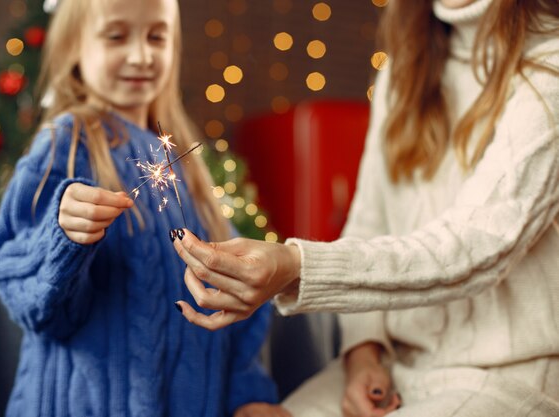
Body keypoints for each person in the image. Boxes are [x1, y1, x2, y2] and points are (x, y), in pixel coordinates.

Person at [171, 0, 559, 415]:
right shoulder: (404, 68)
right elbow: (368, 222)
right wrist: (362, 353)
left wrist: (296, 264)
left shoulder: (548, 73)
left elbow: (475, 247)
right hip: (394, 365)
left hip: (506, 376)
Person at [0, 0, 289, 416]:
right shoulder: (66, 141)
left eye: (156, 36)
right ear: (75, 46)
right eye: (116, 36)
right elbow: (30, 299)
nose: (141, 55)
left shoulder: (189, 167)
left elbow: (233, 305)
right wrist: (62, 237)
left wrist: (249, 395)